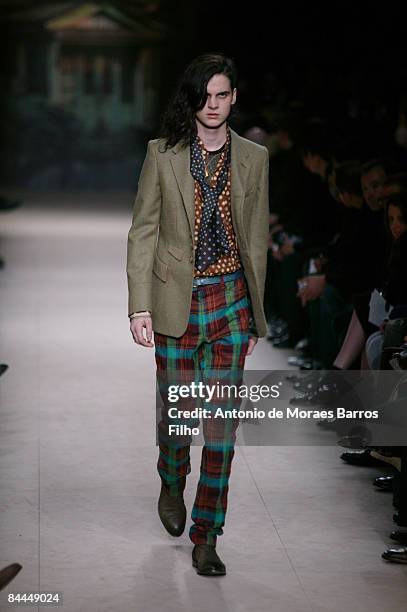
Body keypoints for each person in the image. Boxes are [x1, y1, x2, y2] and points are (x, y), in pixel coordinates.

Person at [126, 53, 269, 576]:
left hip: (230, 300)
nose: (213, 106)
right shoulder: (162, 154)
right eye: (205, 96)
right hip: (174, 302)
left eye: (222, 95)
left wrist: (255, 314)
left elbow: (256, 240)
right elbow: (143, 229)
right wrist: (139, 305)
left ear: (235, 98)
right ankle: (171, 473)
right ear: (192, 99)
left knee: (222, 427)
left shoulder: (255, 157)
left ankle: (207, 534)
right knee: (180, 417)